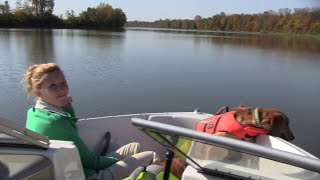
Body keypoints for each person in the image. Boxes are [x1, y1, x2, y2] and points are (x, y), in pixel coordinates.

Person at [23, 63, 159, 179]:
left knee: (136, 146)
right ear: (38, 93)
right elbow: (92, 161)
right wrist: (120, 161)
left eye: (63, 83)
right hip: (88, 175)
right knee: (150, 155)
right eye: (53, 86)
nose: (62, 89)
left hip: (77, 168)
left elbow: (71, 125)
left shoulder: (35, 113)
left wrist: (67, 107)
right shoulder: (56, 122)